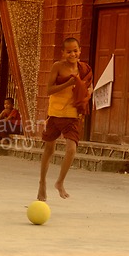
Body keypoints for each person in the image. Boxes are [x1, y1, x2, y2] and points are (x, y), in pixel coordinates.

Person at [37, 37, 93, 201]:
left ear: (80, 51)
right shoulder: (58, 67)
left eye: (75, 50)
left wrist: (87, 93)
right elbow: (49, 90)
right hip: (55, 114)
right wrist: (68, 84)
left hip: (73, 116)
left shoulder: (84, 68)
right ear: (63, 53)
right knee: (49, 150)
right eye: (69, 51)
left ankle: (60, 182)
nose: (73, 54)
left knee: (71, 149)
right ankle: (42, 182)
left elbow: (89, 86)